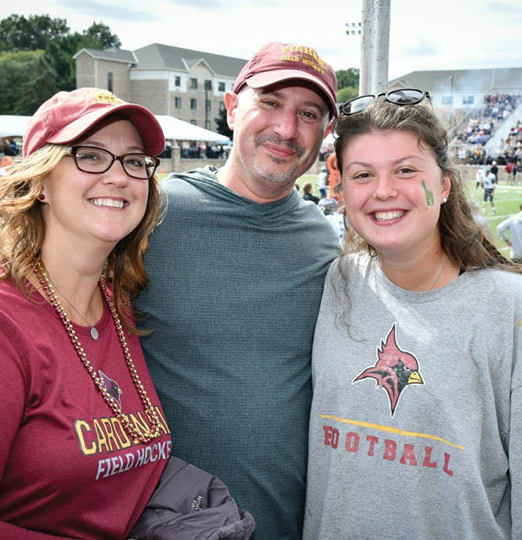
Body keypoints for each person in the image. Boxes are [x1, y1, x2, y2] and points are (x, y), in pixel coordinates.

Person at [304, 94, 522, 539]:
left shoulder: (511, 308)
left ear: (444, 185)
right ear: (342, 192)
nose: (384, 190)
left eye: (406, 170)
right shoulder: (339, 282)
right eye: (363, 175)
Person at [0, 88, 174, 538]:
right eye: (90, 155)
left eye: (134, 160)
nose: (119, 177)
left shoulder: (119, 306)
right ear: (40, 181)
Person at [135, 42, 341, 539]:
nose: (287, 129)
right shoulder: (148, 216)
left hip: (289, 523)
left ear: (325, 134)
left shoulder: (323, 241)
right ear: (231, 108)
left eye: (308, 113)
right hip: (166, 523)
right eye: (269, 102)